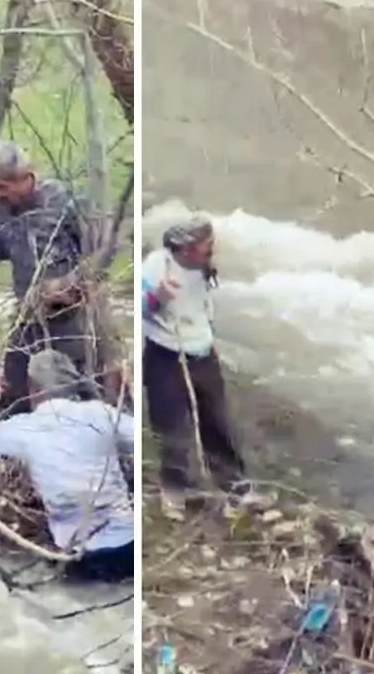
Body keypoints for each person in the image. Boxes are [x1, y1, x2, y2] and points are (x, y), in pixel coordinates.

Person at [0, 350, 135, 584]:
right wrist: (126, 395)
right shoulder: (100, 413)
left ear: (32, 390)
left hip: (81, 556)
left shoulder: (24, 428)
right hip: (128, 543)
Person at [0, 140, 106, 418]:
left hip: (69, 320)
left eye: (2, 187)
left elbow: (100, 256)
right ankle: (11, 447)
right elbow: (5, 246)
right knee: (15, 388)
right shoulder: (2, 208)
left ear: (24, 178)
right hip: (26, 317)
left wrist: (67, 286)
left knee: (77, 388)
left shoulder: (65, 203)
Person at [142, 214, 258, 519]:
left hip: (202, 352)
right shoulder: (157, 265)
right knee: (171, 426)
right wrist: (158, 298)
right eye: (207, 245)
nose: (211, 249)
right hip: (166, 355)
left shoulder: (204, 266)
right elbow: (144, 306)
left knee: (217, 421)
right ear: (186, 248)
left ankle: (236, 487)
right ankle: (176, 491)